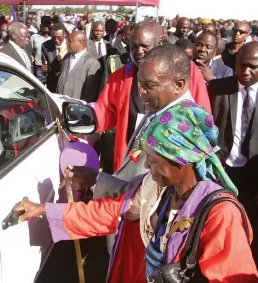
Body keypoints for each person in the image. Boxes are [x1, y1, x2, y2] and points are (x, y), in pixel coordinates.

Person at [15, 87, 258, 283]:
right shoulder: (157, 188)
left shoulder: (220, 213)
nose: (148, 169)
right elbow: (110, 212)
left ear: (181, 159)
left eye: (152, 161)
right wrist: (44, 210)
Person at [94, 23, 211, 174]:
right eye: (133, 47)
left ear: (159, 43)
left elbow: (202, 117)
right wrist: (84, 118)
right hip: (131, 160)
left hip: (171, 161)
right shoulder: (120, 77)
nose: (139, 52)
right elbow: (105, 111)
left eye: (144, 46)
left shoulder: (186, 70)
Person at [208, 41, 258, 265]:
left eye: (253, 67)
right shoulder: (218, 89)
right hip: (222, 171)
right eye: (241, 65)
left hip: (253, 174)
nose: (245, 72)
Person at [56, 31, 102, 103]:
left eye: (70, 41)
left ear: (80, 42)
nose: (67, 44)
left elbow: (91, 94)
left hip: (76, 108)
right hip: (60, 104)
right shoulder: (67, 57)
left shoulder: (92, 63)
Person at [41, 23, 68, 92]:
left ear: (65, 34)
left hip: (68, 84)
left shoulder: (70, 44)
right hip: (52, 85)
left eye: (59, 37)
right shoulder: (45, 46)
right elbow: (45, 66)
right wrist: (45, 69)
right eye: (53, 37)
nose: (56, 40)